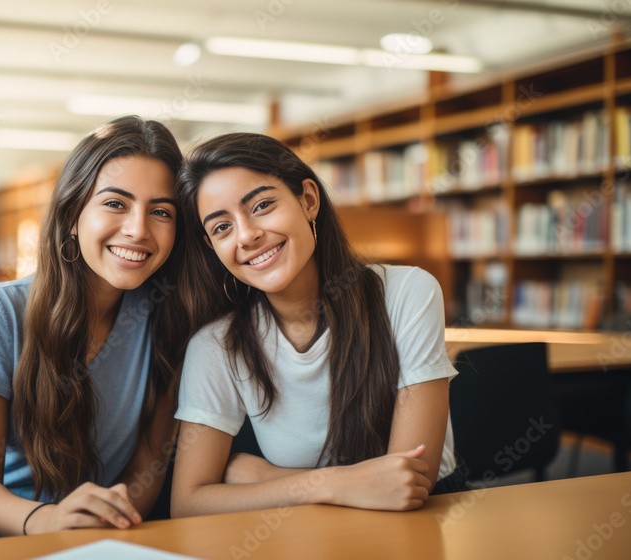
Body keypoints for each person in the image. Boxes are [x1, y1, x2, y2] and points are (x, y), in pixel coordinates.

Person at [171, 133, 466, 518]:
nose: (246, 235)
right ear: (212, 247)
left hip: (420, 525)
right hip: (305, 533)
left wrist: (261, 475)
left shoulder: (407, 292)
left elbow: (408, 483)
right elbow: (189, 504)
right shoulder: (217, 344)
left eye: (261, 205)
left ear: (308, 200)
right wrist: (325, 484)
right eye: (221, 228)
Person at [0, 116, 190, 541]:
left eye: (161, 211)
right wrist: (49, 521)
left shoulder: (170, 319)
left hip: (93, 536)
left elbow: (148, 463)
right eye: (115, 203)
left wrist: (108, 523)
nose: (138, 229)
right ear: (72, 213)